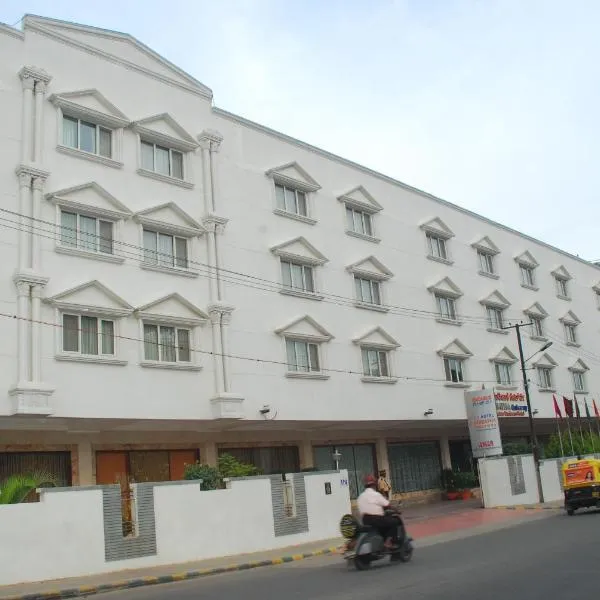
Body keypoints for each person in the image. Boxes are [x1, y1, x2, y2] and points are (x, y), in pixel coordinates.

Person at [357, 474, 399, 548]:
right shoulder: (376, 494)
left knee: (384, 523)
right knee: (394, 522)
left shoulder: (360, 497)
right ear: (374, 485)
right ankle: (388, 542)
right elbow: (387, 505)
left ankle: (382, 539)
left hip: (365, 520)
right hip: (376, 519)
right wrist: (396, 510)